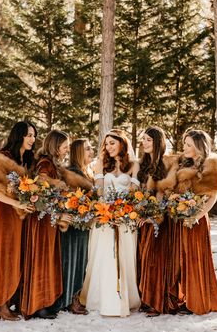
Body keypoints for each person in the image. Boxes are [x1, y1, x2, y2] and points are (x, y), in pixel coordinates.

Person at [21, 130, 92, 319]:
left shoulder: (52, 165)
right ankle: (39, 304)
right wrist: (59, 214)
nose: (67, 149)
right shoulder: (45, 165)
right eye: (65, 146)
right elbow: (40, 196)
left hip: (48, 220)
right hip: (43, 221)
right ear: (55, 146)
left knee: (49, 262)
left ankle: (45, 302)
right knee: (42, 261)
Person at [80, 129, 140, 317]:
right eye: (106, 144)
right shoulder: (101, 164)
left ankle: (125, 299)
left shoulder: (133, 165)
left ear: (122, 143)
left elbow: (134, 194)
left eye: (112, 143)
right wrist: (104, 210)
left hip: (125, 220)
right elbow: (99, 192)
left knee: (125, 258)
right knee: (104, 257)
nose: (108, 147)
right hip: (104, 219)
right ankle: (102, 300)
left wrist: (124, 211)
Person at [0, 121, 36, 321]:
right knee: (6, 256)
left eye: (34, 135)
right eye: (29, 135)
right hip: (5, 214)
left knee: (18, 256)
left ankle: (12, 298)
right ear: (19, 136)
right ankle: (1, 304)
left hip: (21, 216)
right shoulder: (1, 157)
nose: (32, 139)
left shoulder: (28, 160)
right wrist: (17, 205)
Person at [172, 129, 217, 315]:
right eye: (184, 144)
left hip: (198, 219)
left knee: (195, 258)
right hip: (181, 218)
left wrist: (196, 216)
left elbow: (212, 197)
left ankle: (198, 300)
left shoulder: (211, 165)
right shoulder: (183, 165)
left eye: (188, 145)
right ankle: (184, 297)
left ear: (199, 147)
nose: (184, 148)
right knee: (181, 258)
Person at [137, 126, 179, 317]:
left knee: (157, 258)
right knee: (144, 257)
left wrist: (152, 215)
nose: (144, 143)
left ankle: (158, 301)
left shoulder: (166, 164)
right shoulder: (143, 164)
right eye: (143, 139)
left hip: (160, 219)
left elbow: (163, 193)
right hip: (143, 216)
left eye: (148, 139)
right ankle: (146, 298)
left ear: (157, 141)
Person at [55, 138, 94, 315]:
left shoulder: (87, 172)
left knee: (81, 260)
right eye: (87, 149)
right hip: (71, 226)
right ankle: (71, 299)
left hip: (83, 225)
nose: (91, 151)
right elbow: (64, 199)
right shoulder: (71, 172)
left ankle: (75, 296)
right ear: (78, 152)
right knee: (72, 261)